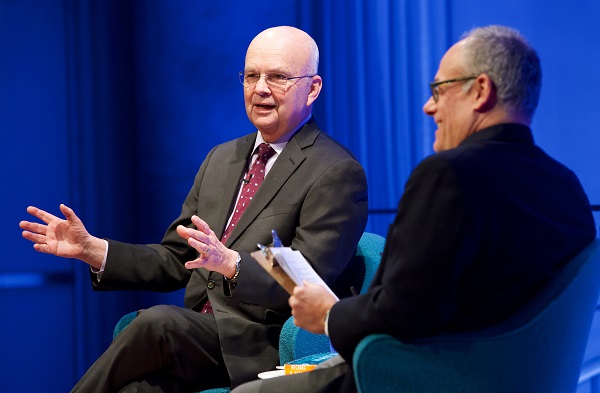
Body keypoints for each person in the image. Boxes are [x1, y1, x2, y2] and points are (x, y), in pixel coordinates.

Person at [231, 25, 597, 393]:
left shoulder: (449, 175)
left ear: (481, 91)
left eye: (439, 89)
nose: (429, 106)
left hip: (418, 378)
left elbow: (404, 310)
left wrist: (328, 314)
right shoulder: (568, 188)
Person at [19, 26, 368, 392]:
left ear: (312, 88)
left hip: (259, 341)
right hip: (198, 338)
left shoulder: (335, 171)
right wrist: (93, 250)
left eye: (278, 77)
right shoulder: (222, 158)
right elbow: (176, 259)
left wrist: (233, 265)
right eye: (251, 76)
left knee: (158, 324)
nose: (260, 88)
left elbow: (308, 281)